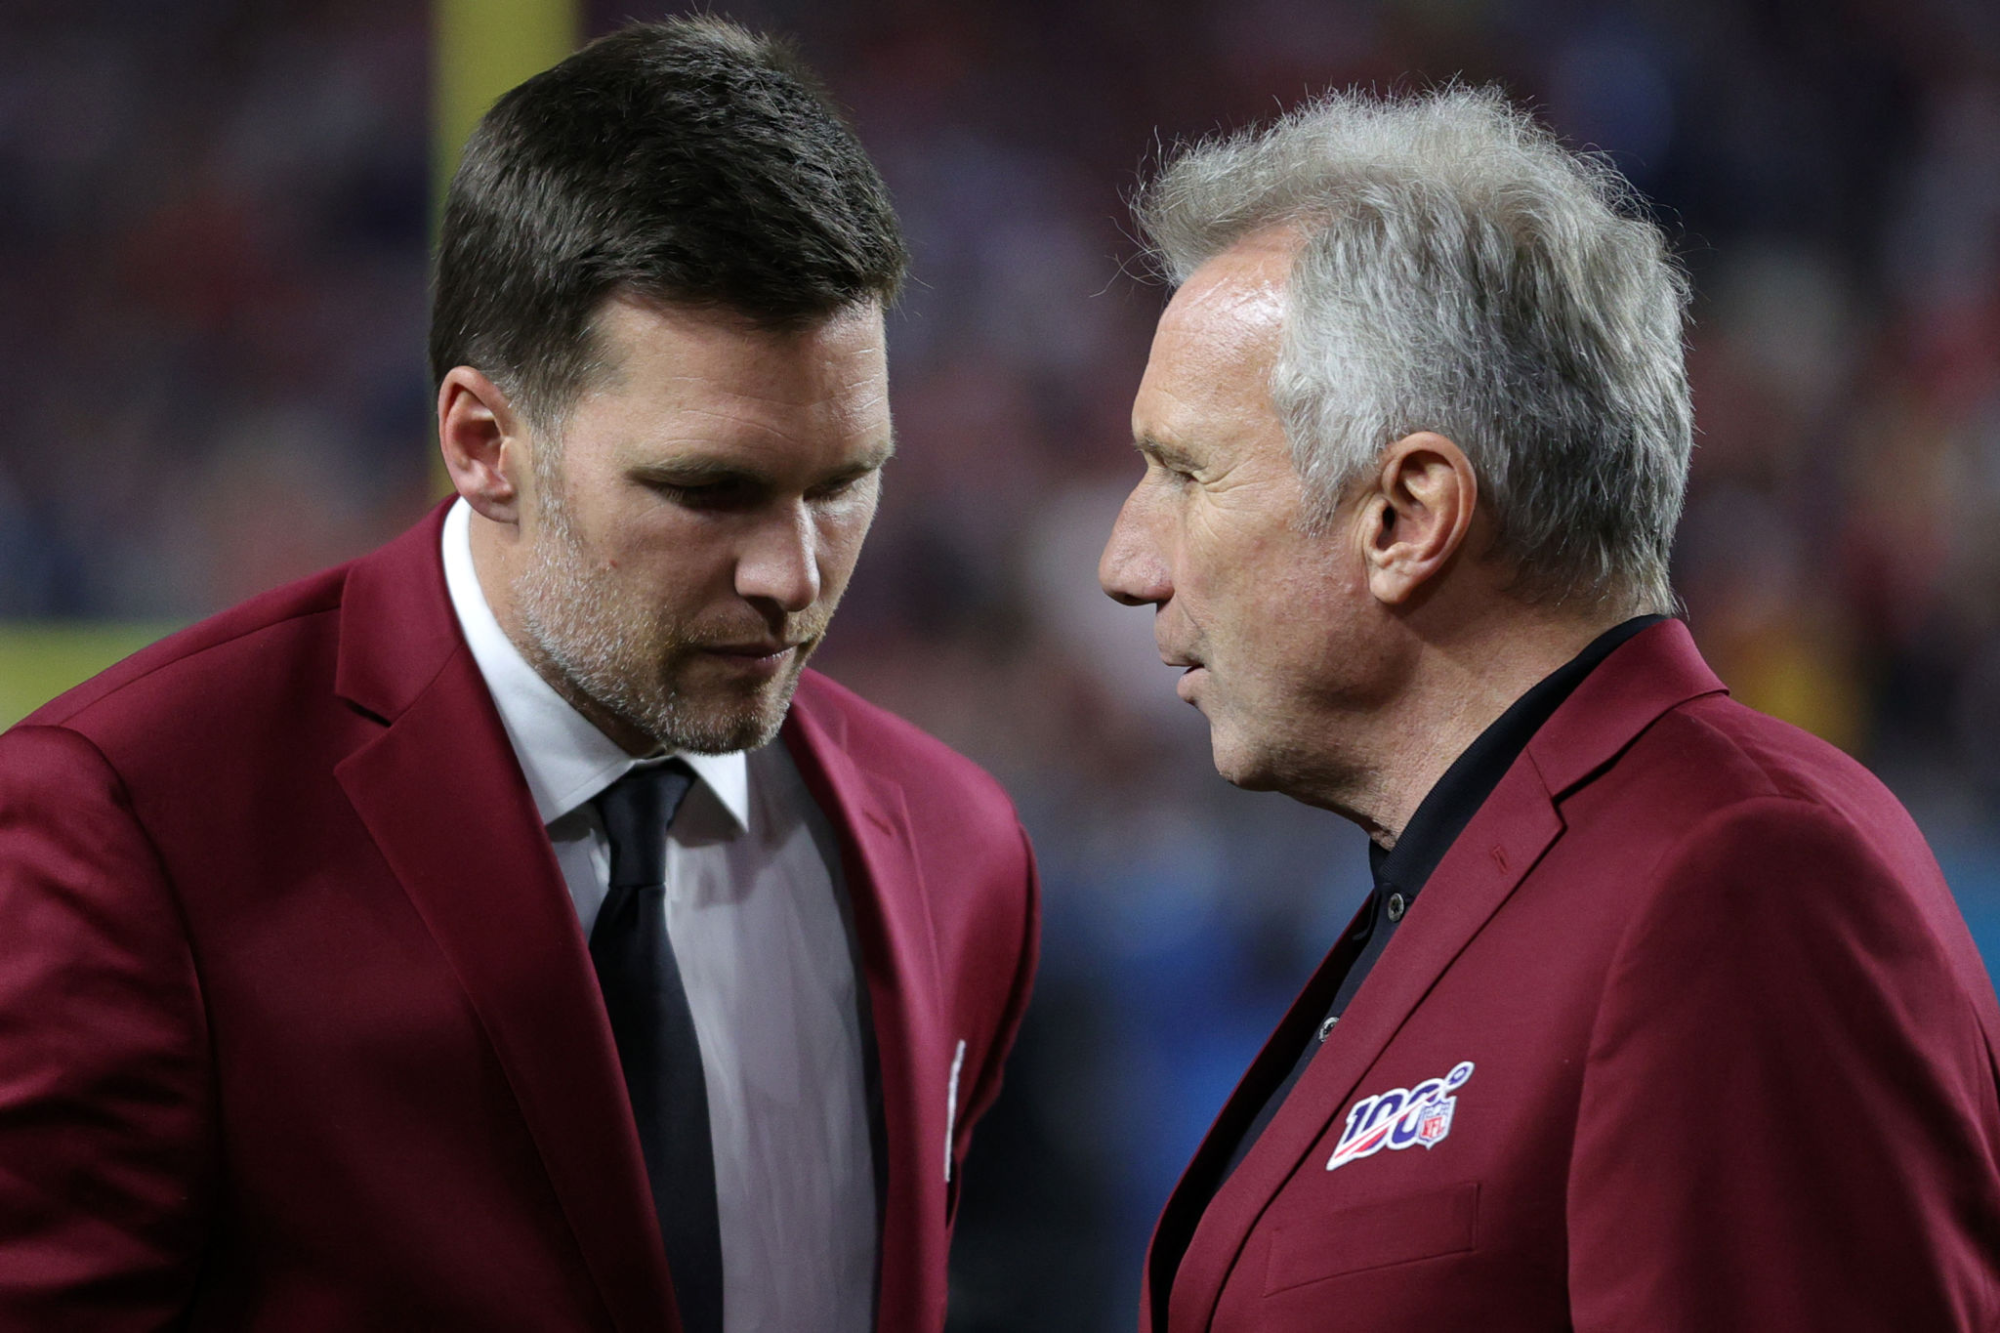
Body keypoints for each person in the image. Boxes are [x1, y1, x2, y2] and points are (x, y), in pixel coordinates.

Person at [0, 19, 1037, 1333]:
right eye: (707, 488)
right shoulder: (134, 827)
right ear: (484, 440)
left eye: (846, 483)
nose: (793, 572)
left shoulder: (958, 849)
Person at [1098, 86, 2000, 1332]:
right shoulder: (1480, 872)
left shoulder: (1742, 880)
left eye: (1184, 472)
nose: (1124, 560)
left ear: (1406, 515)